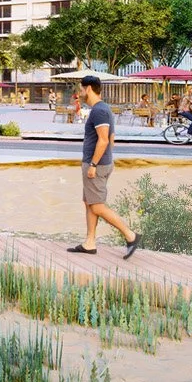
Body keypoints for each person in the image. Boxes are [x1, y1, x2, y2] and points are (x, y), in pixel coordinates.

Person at [68, 75, 140, 258]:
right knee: (89, 203)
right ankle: (89, 243)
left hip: (96, 165)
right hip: (102, 163)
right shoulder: (103, 108)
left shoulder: (99, 110)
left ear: (89, 89)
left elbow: (103, 139)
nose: (80, 93)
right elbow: (112, 139)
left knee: (98, 206)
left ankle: (131, 236)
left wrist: (94, 164)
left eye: (82, 89)